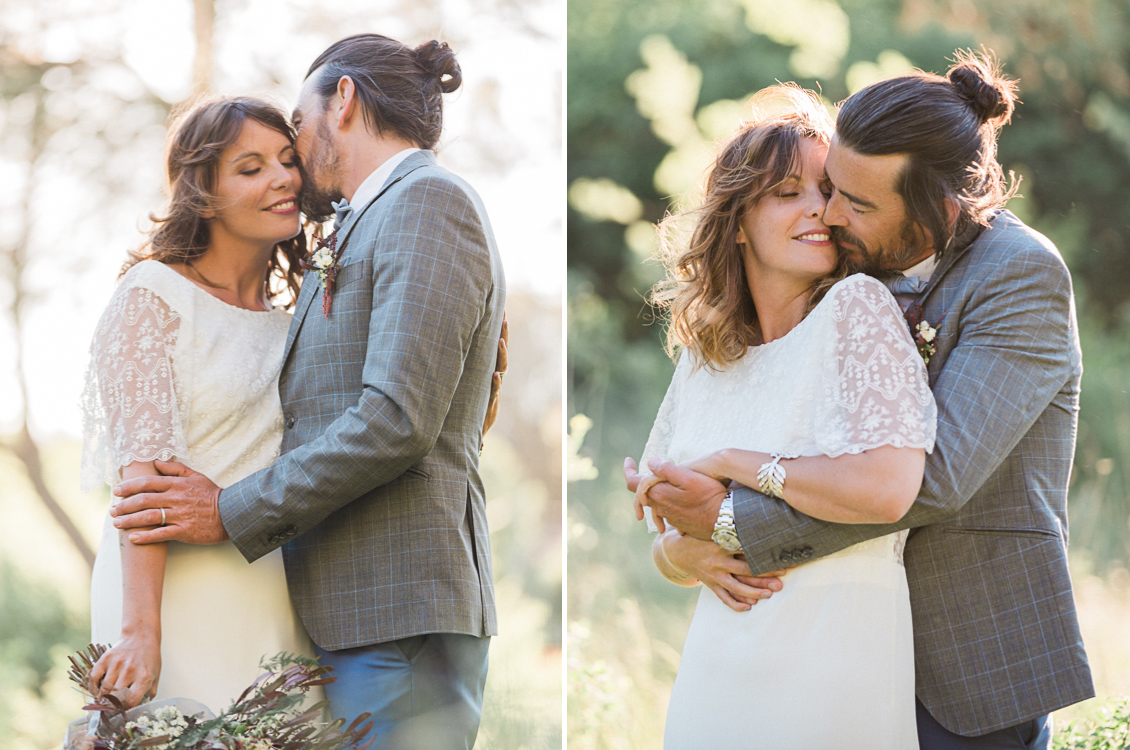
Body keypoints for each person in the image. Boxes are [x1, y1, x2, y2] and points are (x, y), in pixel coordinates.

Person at [629, 51, 1094, 749]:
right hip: (812, 654)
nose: (831, 212)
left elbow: (932, 483)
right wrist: (678, 551)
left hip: (970, 655)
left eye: (856, 201)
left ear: (938, 207)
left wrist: (731, 523)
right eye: (827, 188)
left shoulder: (1018, 276)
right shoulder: (840, 273)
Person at [107, 34, 506, 749]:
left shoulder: (426, 204)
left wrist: (228, 510)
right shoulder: (363, 223)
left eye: (296, 129)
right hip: (331, 616)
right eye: (254, 165)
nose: (291, 164)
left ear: (343, 99)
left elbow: (398, 420)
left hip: (396, 613)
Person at [629, 83, 936, 748]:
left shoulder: (857, 310)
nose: (819, 210)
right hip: (716, 678)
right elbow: (666, 539)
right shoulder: (706, 360)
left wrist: (739, 466)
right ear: (737, 220)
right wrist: (682, 554)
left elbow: (888, 489)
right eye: (787, 192)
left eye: (827, 190)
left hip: (831, 668)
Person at [80, 96, 318, 711]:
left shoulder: (293, 320)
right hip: (168, 597)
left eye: (289, 160)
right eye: (251, 167)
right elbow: (143, 477)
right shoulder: (151, 296)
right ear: (202, 194)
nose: (283, 178)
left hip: (267, 583)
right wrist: (140, 633)